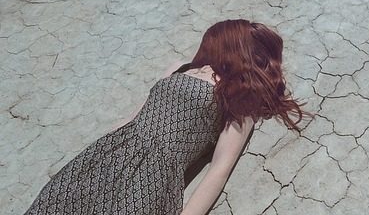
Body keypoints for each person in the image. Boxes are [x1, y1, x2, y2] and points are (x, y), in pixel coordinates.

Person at [24, 19, 306, 215]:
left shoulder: (241, 97)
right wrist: (94, 153)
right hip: (110, 153)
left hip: (153, 175)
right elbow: (135, 115)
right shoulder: (179, 67)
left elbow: (220, 168)